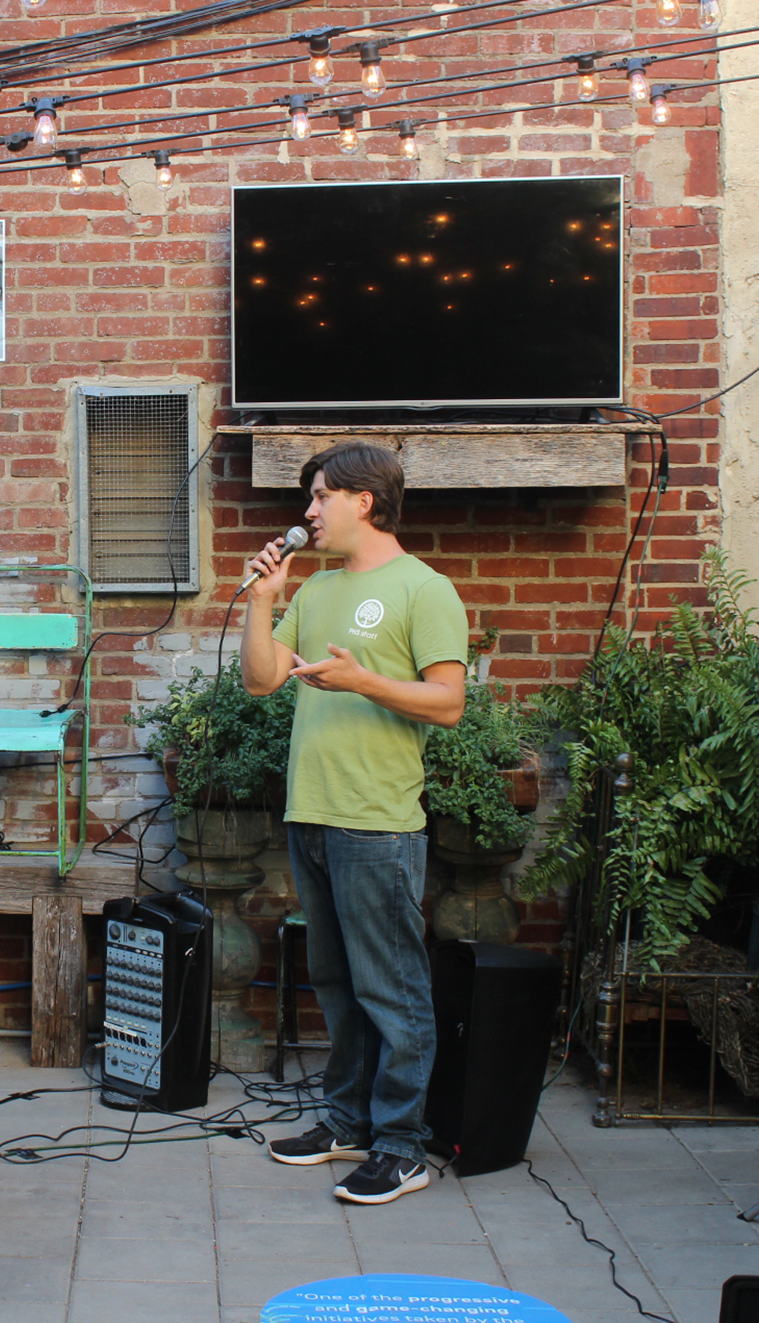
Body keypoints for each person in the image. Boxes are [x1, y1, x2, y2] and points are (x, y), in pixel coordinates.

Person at [240, 441, 468, 1207]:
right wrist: (264, 598)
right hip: (312, 812)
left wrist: (361, 679)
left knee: (393, 989)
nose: (307, 512)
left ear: (364, 501)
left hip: (377, 822)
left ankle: (402, 1146)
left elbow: (448, 702)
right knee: (337, 983)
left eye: (320, 497)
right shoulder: (319, 589)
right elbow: (263, 681)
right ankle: (346, 1121)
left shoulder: (424, 589)